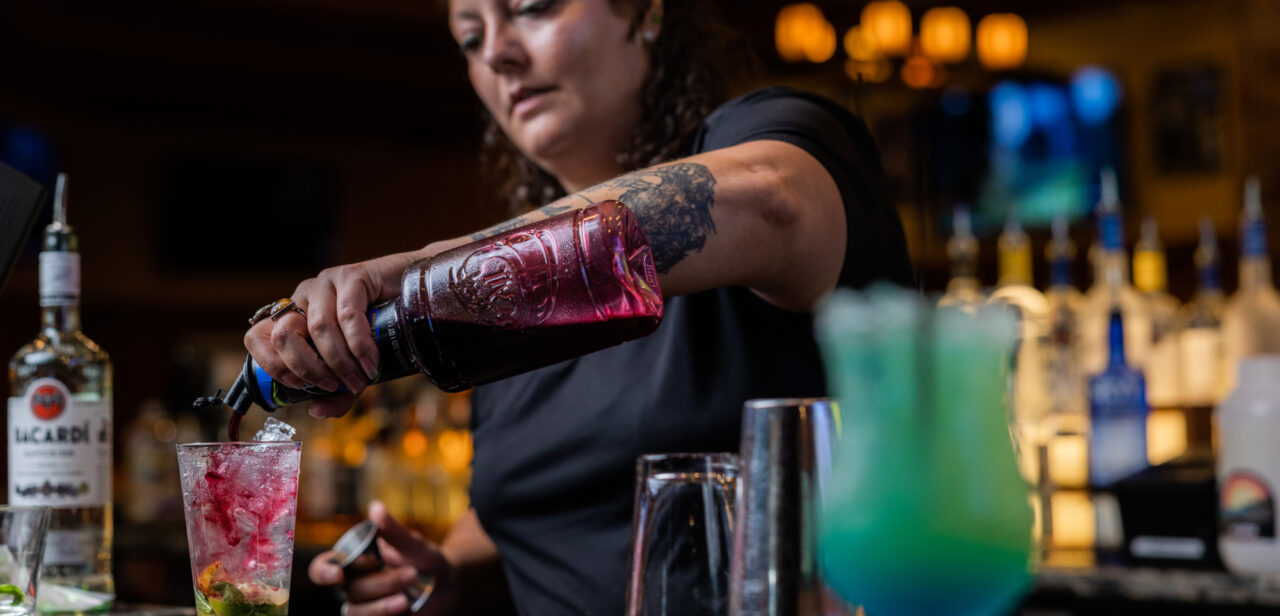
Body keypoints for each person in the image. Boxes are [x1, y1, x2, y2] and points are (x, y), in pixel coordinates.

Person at [244, 0, 914, 613]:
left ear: (647, 12)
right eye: (471, 39)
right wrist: (443, 576)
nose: (497, 54)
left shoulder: (769, 134)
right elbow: (525, 527)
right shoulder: (486, 319)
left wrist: (439, 272)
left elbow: (772, 201)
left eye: (532, 9)